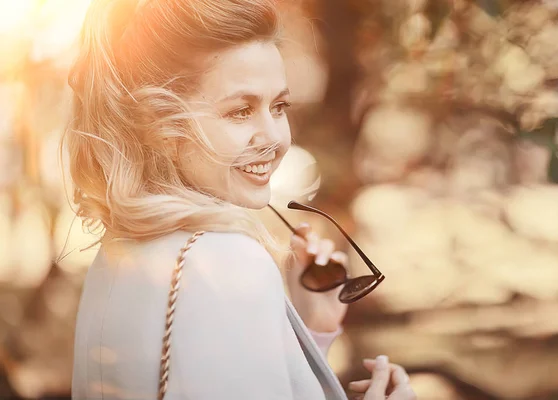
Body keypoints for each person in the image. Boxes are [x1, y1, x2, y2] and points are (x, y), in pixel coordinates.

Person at [64, 0, 416, 399]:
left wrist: (309, 334)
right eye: (240, 111)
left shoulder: (119, 255)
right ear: (160, 124)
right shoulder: (227, 260)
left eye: (279, 106)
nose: (276, 140)